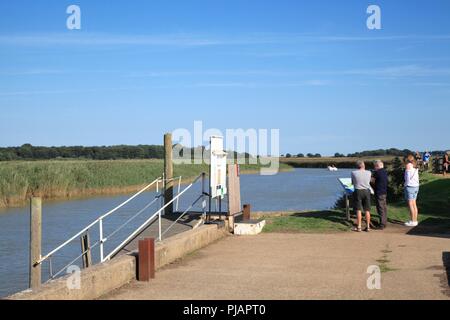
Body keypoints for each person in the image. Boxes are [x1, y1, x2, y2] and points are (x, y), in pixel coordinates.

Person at [351, 161, 372, 232]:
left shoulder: (353, 173)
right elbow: (369, 181)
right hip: (366, 191)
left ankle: (359, 226)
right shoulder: (369, 172)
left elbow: (353, 182)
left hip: (358, 191)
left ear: (357, 166)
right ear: (364, 166)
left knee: (358, 209)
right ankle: (368, 226)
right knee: (367, 209)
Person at [372, 160, 388, 229]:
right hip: (384, 192)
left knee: (380, 208)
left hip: (379, 192)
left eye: (375, 166)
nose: (374, 168)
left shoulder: (377, 172)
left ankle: (382, 224)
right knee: (384, 207)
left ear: (377, 166)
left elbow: (372, 181)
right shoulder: (384, 172)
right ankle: (384, 221)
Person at [404, 155, 420, 227]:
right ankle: (415, 220)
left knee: (410, 204)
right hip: (416, 186)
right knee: (414, 204)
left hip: (410, 186)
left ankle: (412, 221)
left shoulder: (408, 165)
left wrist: (405, 185)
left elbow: (407, 178)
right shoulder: (415, 165)